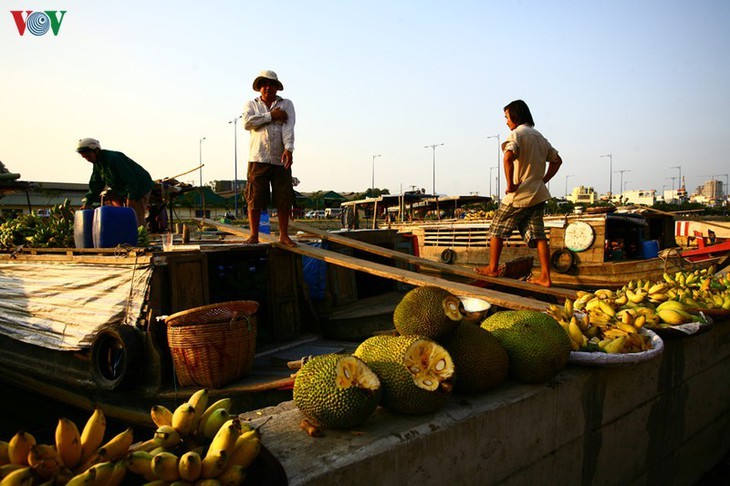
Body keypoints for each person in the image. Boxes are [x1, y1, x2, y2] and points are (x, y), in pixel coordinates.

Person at [475, 100, 562, 287]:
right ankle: (546, 277)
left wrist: (511, 184)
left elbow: (507, 157)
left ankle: (492, 268)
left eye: (506, 117)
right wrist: (543, 180)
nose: (506, 121)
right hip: (538, 194)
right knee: (538, 235)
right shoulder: (540, 137)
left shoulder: (517, 134)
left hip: (519, 195)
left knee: (496, 229)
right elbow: (557, 161)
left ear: (515, 116)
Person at [242, 70, 296, 247]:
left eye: (271, 84)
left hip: (280, 159)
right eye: (264, 84)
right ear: (259, 88)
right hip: (258, 157)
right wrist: (271, 116)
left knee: (283, 197)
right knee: (255, 198)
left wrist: (289, 149)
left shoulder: (286, 104)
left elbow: (288, 128)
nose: (268, 88)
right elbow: (247, 123)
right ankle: (254, 235)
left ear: (276, 87)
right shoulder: (252, 105)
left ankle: (284, 235)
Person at [77, 138, 154, 228]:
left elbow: (130, 179)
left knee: (134, 217)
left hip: (139, 187)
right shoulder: (98, 164)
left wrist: (131, 197)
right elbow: (96, 184)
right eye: (85, 157)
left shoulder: (113, 159)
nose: (87, 159)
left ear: (96, 150)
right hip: (123, 189)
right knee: (118, 208)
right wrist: (88, 203)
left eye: (88, 156)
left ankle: (139, 239)